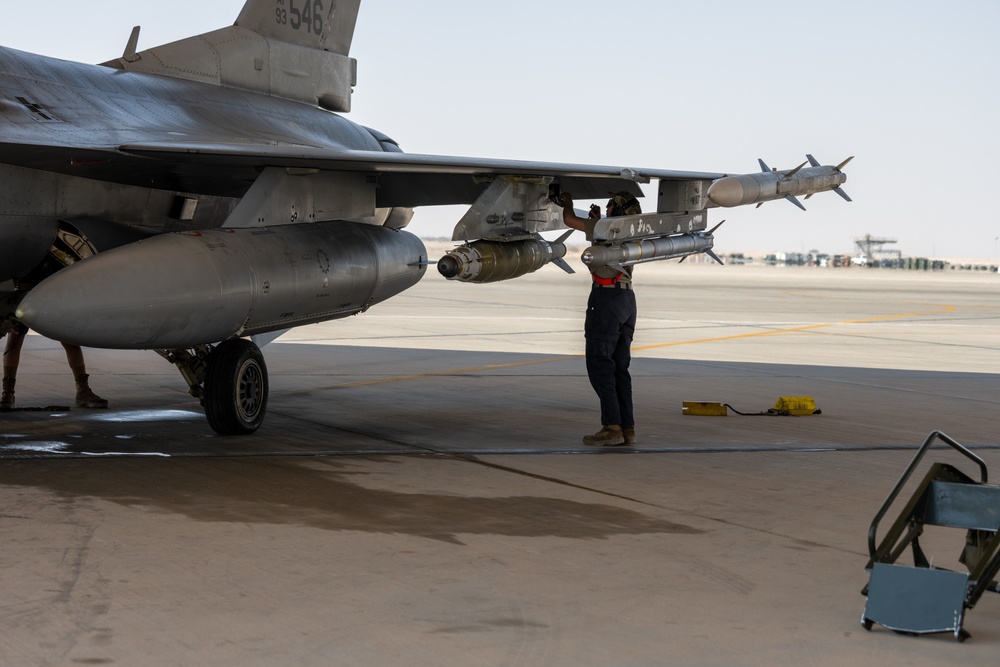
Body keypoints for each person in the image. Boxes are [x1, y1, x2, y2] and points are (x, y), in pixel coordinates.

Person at [559, 191, 642, 446]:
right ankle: (627, 427)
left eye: (609, 208)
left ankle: (611, 426)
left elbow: (569, 219)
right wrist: (597, 220)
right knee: (619, 368)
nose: (605, 212)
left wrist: (568, 201)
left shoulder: (606, 228)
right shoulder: (632, 231)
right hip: (627, 299)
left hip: (606, 301)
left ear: (615, 210)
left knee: (600, 365)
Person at [0, 322, 108, 411]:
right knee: (15, 337)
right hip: (24, 299)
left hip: (45, 300)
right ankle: (8, 392)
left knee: (68, 339)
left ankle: (83, 391)